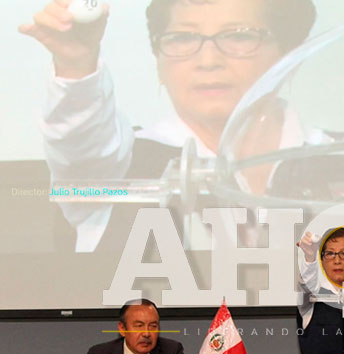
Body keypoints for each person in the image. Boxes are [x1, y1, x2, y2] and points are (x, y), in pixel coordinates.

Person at [19, 0, 317, 252]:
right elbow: (80, 142)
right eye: (182, 39)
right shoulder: (118, 166)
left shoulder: (337, 160)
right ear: (158, 59)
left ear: (290, 54)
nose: (208, 60)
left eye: (239, 37)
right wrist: (76, 63)